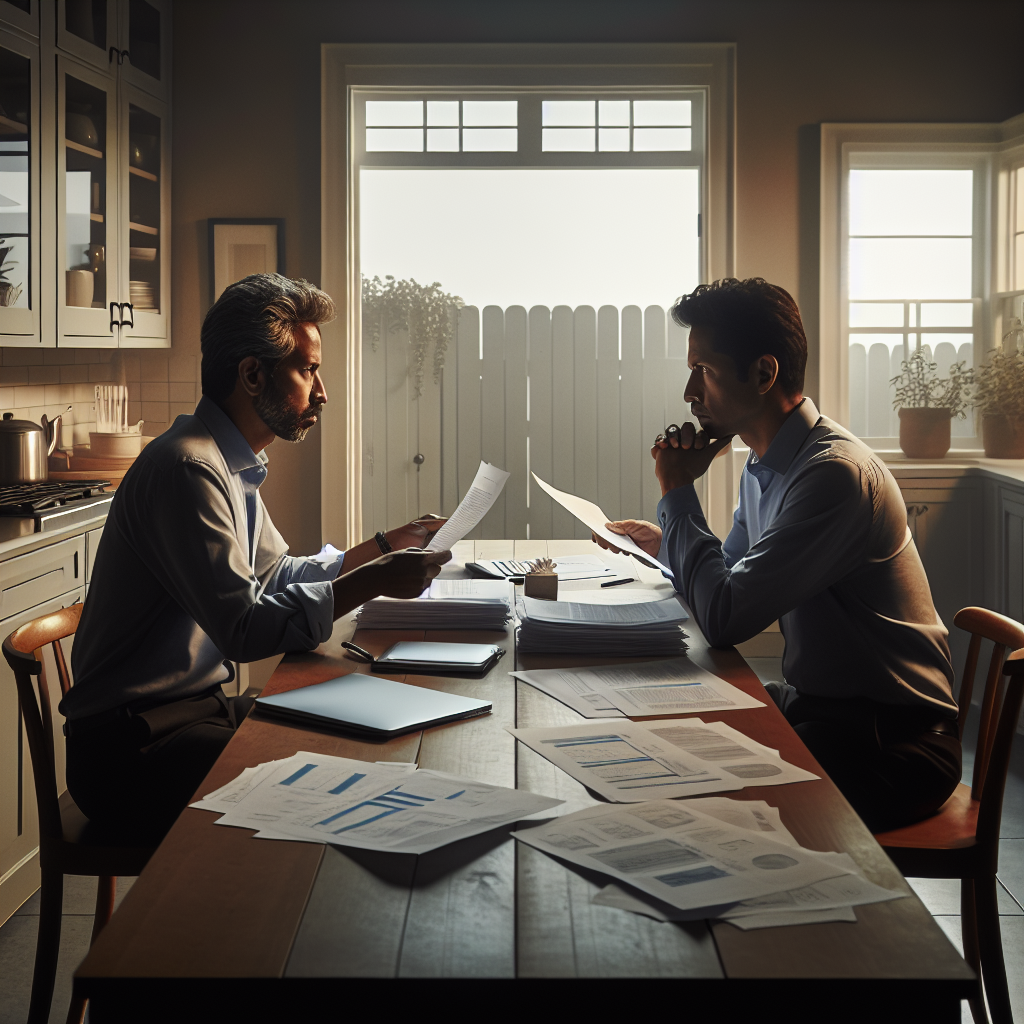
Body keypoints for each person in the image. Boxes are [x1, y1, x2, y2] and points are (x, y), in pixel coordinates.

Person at [61, 274, 451, 835]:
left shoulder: (224, 461)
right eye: (308, 370)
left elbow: (273, 576)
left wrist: (385, 547)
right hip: (131, 749)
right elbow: (245, 630)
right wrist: (376, 580)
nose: (322, 393)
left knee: (348, 740)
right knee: (334, 782)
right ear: (251, 374)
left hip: (194, 713)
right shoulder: (188, 469)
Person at [596, 277, 960, 831]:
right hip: (823, 712)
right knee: (654, 732)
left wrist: (676, 492)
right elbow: (731, 583)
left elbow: (724, 619)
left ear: (764, 373)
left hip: (892, 743)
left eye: (704, 371)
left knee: (692, 794)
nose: (690, 393)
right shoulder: (765, 467)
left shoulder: (833, 477)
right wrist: (668, 541)